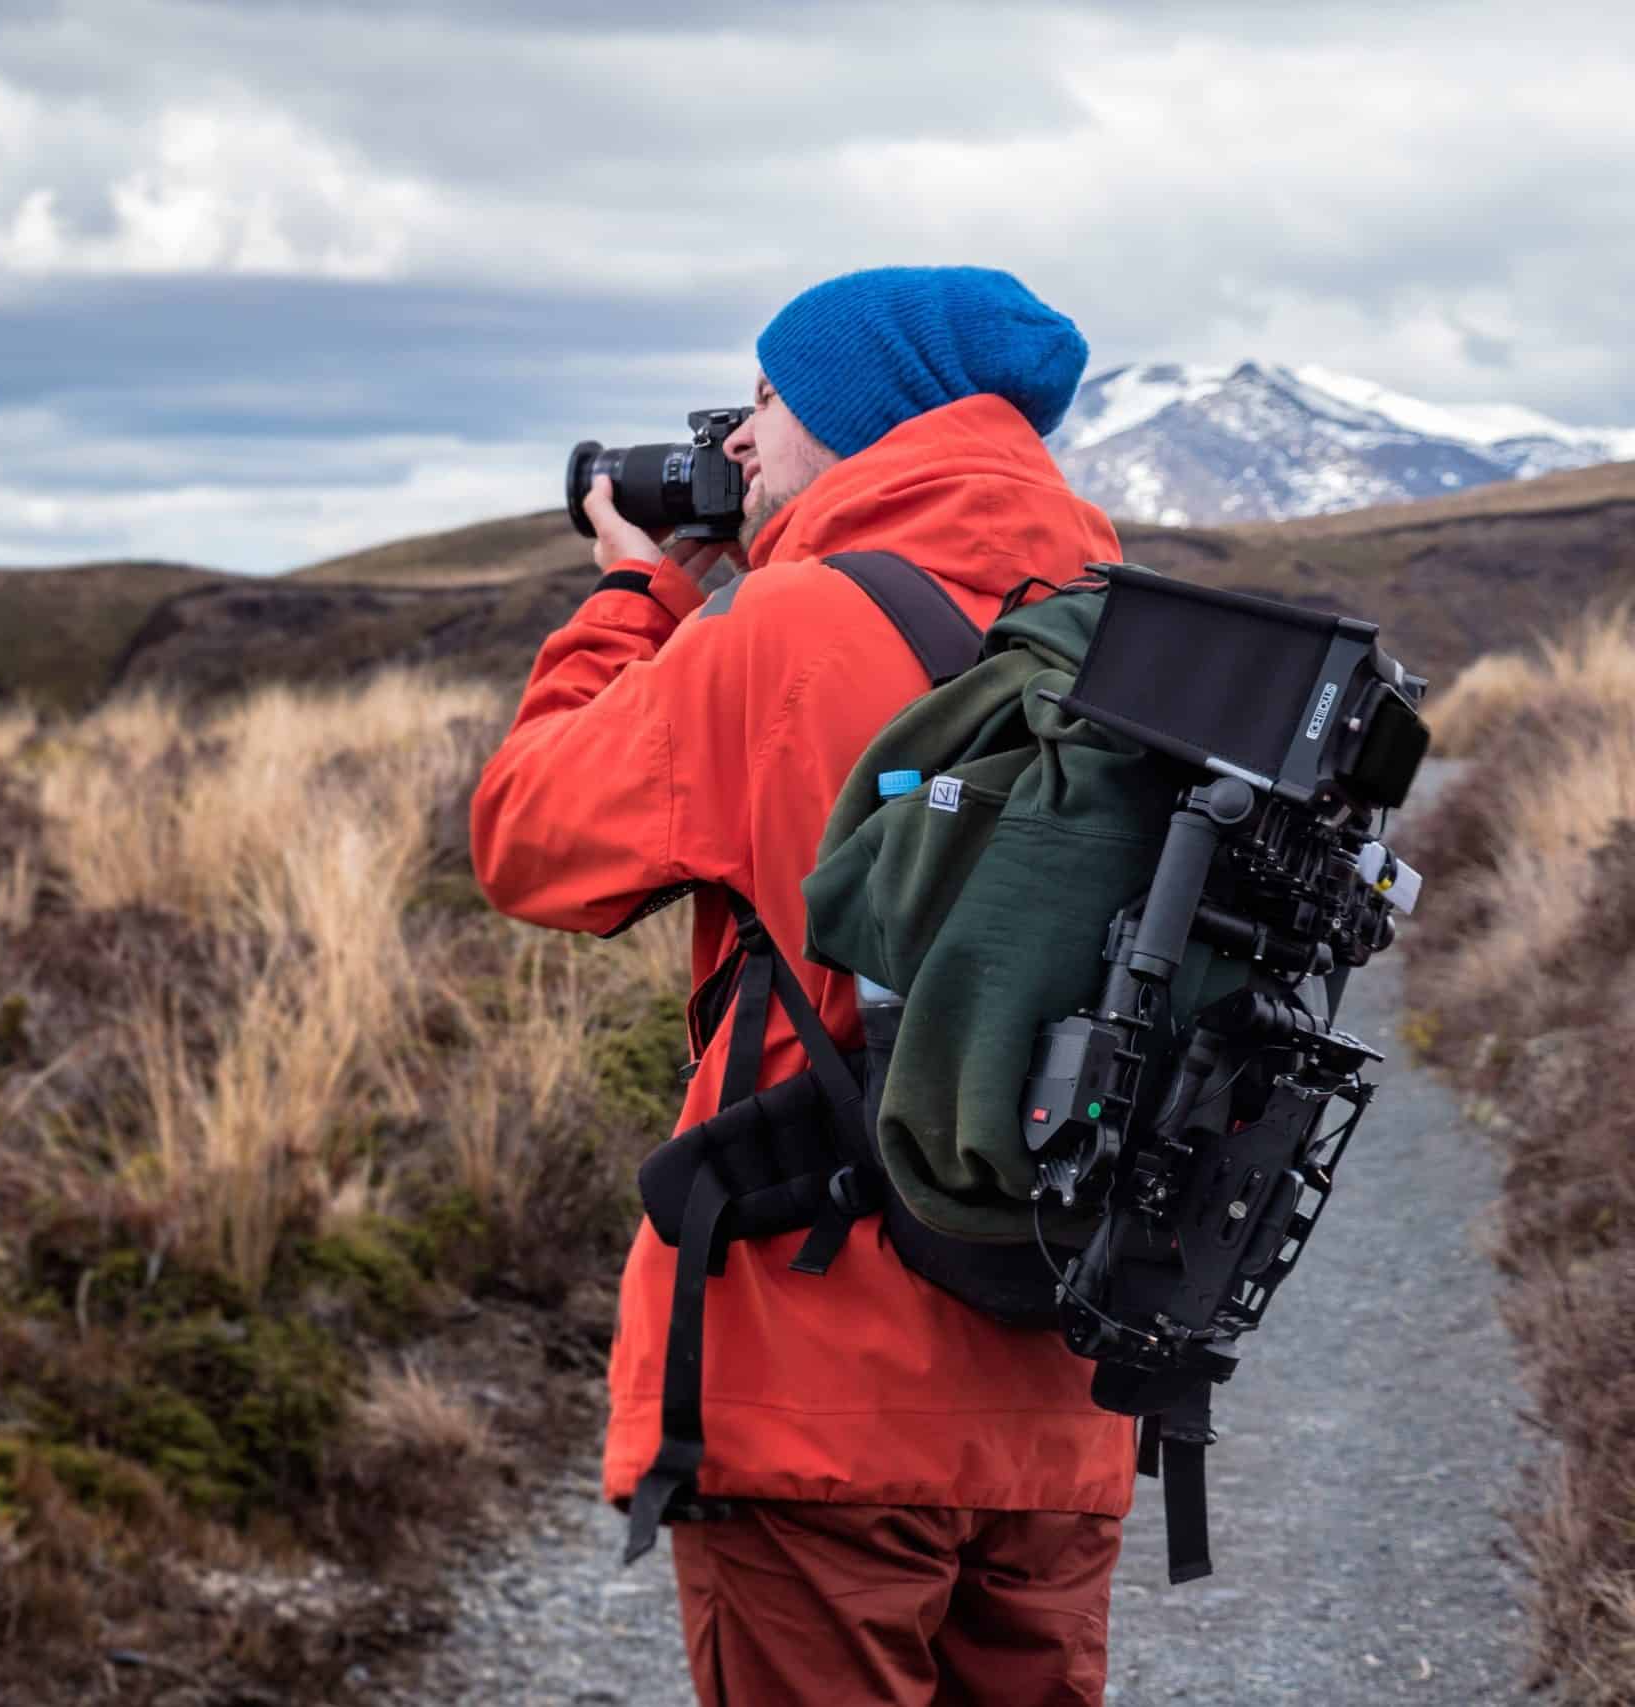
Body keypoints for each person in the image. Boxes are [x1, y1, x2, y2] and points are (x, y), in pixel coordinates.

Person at [471, 267, 1135, 1706]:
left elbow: (528, 843)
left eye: (767, 400)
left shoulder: (776, 634)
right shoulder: (1131, 637)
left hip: (818, 1373)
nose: (742, 445)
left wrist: (635, 596)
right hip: (1062, 1388)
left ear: (853, 414)